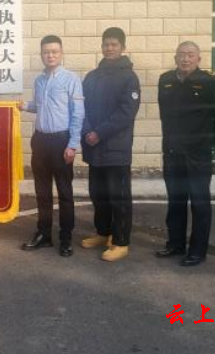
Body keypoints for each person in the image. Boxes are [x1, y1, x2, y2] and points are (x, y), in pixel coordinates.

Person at [156, 41, 215, 267]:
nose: (185, 59)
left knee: (199, 202)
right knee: (175, 200)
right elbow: (164, 115)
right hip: (172, 152)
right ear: (175, 58)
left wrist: (206, 143)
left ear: (198, 59)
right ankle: (176, 244)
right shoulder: (166, 80)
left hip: (198, 154)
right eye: (181, 55)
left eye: (190, 55)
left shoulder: (210, 81)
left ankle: (197, 251)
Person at [20, 35, 84, 257]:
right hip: (40, 141)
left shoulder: (71, 80)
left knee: (64, 193)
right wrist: (24, 106)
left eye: (54, 51)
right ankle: (44, 234)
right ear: (41, 54)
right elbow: (40, 106)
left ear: (61, 53)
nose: (50, 55)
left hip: (61, 142)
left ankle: (66, 238)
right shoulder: (39, 81)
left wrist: (72, 145)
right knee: (42, 192)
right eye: (46, 52)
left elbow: (77, 114)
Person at [81, 27, 140, 262]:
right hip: (94, 148)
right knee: (99, 194)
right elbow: (81, 107)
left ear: (123, 47)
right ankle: (103, 232)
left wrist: (99, 132)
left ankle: (121, 241)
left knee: (119, 197)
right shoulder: (92, 77)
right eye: (106, 44)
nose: (110, 48)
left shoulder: (129, 78)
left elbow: (126, 112)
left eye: (114, 44)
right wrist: (88, 131)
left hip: (116, 149)